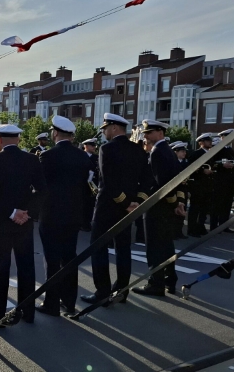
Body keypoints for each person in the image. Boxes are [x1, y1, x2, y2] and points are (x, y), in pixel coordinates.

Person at [0, 124, 46, 327]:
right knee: (26, 267)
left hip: (0, 222)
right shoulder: (32, 159)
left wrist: (10, 212)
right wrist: (27, 213)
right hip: (24, 223)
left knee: (1, 268)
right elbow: (42, 190)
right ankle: (28, 311)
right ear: (17, 139)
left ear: (0, 140)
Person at [80, 113, 147, 307]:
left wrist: (125, 201)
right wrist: (136, 202)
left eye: (105, 128)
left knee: (98, 247)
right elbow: (147, 179)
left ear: (114, 128)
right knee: (123, 249)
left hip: (108, 208)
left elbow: (107, 182)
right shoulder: (138, 149)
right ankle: (122, 291)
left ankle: (102, 291)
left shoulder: (107, 149)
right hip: (129, 209)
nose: (104, 132)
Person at [35, 116, 90, 316]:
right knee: (69, 258)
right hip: (74, 215)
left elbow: (40, 186)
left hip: (51, 215)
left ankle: (51, 303)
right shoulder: (83, 156)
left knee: (52, 260)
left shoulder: (47, 156)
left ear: (55, 133)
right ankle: (69, 301)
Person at [133, 121, 185, 297]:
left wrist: (170, 202)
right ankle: (170, 280)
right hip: (167, 208)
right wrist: (177, 203)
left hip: (157, 207)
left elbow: (162, 184)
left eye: (149, 132)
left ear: (160, 132)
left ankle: (156, 284)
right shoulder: (169, 151)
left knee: (154, 247)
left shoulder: (157, 152)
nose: (145, 135)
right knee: (166, 245)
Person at [187, 133, 214, 237]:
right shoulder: (196, 154)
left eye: (210, 140)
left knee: (204, 208)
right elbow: (191, 168)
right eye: (207, 141)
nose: (210, 142)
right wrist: (202, 171)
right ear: (201, 142)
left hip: (207, 185)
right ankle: (192, 229)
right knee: (195, 208)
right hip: (198, 185)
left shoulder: (211, 153)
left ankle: (200, 227)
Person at [212, 129, 234, 232]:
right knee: (217, 203)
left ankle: (224, 225)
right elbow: (212, 163)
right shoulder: (217, 148)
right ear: (223, 137)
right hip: (219, 180)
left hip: (229, 181)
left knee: (227, 204)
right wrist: (222, 165)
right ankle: (214, 226)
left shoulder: (230, 150)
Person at [171, 141, 190, 239]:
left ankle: (179, 231)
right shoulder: (172, 163)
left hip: (184, 189)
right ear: (176, 152)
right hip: (175, 189)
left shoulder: (186, 163)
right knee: (174, 210)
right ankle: (173, 232)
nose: (184, 153)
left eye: (184, 151)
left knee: (183, 210)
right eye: (181, 151)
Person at [81, 138, 100, 233]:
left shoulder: (96, 157)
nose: (94, 147)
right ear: (86, 146)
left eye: (94, 145)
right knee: (81, 204)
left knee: (90, 205)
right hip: (82, 184)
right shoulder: (80, 155)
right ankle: (81, 223)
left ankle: (87, 223)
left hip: (92, 185)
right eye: (92, 145)